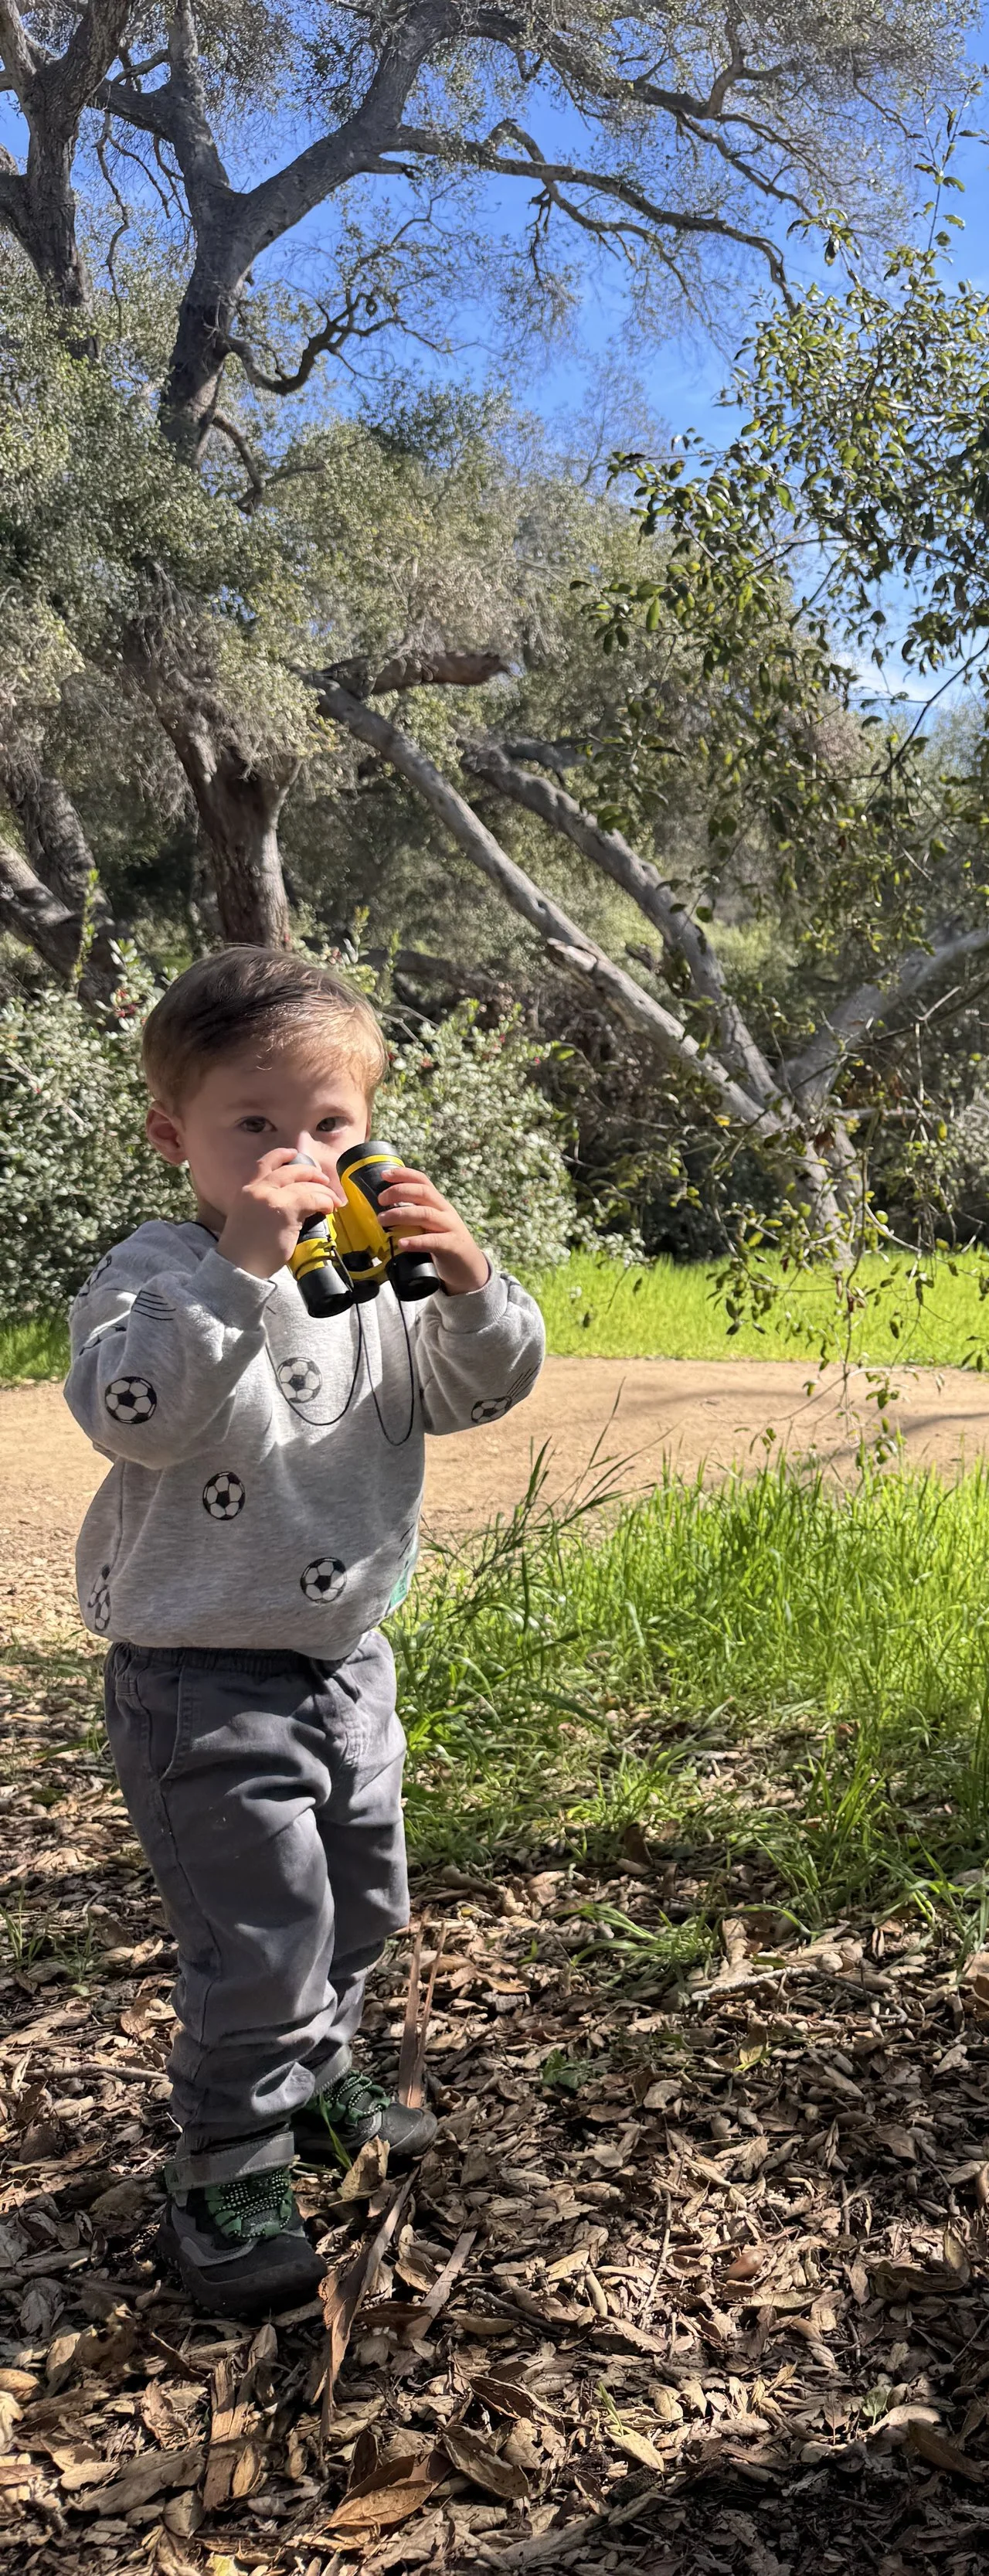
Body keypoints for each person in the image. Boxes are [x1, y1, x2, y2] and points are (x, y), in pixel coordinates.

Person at [67, 949, 546, 2317]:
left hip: (347, 1657)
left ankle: (318, 2078)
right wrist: (240, 1269)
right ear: (176, 1138)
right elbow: (134, 1417)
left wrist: (473, 1288)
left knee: (359, 1901)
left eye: (331, 1124)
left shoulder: (375, 1272)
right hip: (199, 1676)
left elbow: (474, 1394)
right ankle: (226, 2161)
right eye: (255, 1125)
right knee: (259, 1937)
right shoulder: (158, 1276)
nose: (300, 1156)